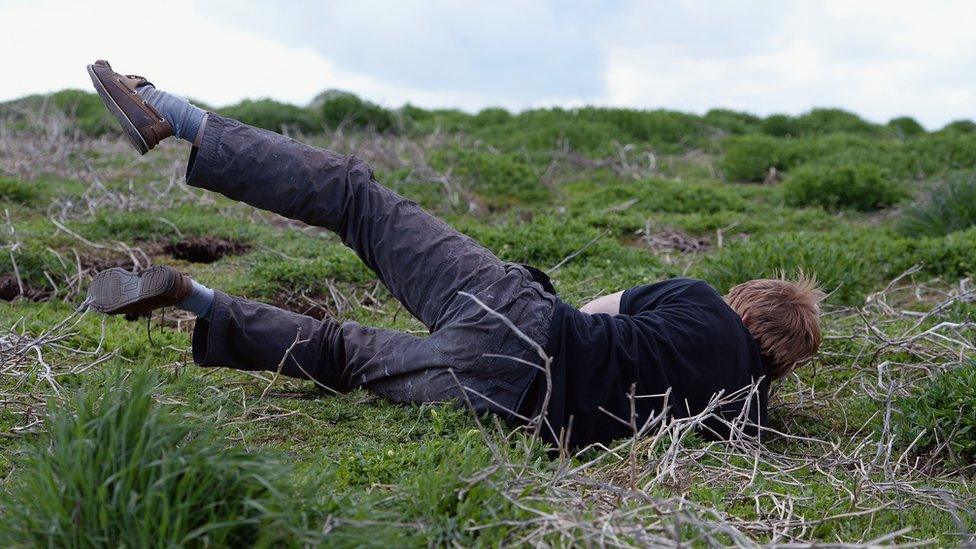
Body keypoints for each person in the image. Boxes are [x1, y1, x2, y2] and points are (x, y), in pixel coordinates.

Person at [83, 60, 824, 450]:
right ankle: (189, 299)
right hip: (503, 402)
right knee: (342, 354)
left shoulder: (699, 301)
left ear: (746, 305)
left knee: (354, 199)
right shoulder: (745, 417)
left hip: (518, 319)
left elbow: (593, 312)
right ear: (782, 362)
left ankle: (170, 114)